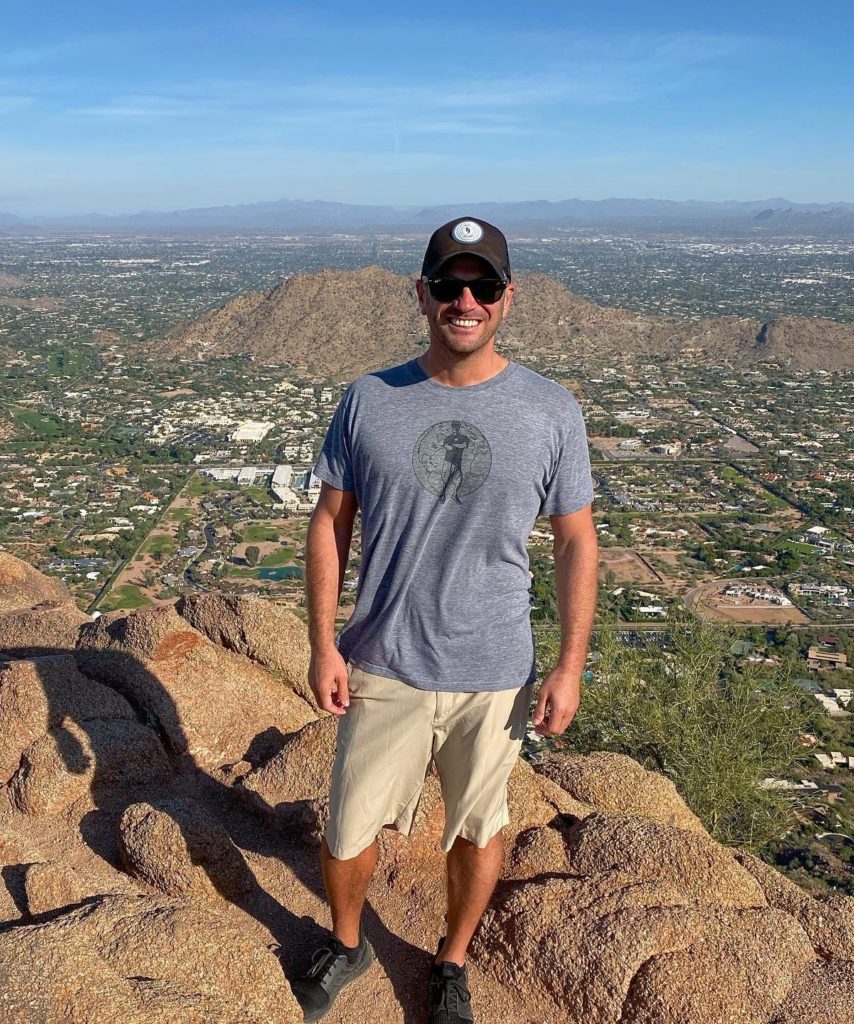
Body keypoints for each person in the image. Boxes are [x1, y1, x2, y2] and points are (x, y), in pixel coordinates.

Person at [293, 217, 598, 1023]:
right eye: (450, 285)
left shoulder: (550, 410)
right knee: (349, 826)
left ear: (507, 299)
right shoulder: (368, 399)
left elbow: (576, 539)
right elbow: (330, 521)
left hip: (494, 670)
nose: (466, 300)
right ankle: (350, 941)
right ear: (422, 293)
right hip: (384, 657)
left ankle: (452, 962)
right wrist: (323, 643)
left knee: (476, 826)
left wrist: (570, 665)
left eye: (484, 286)